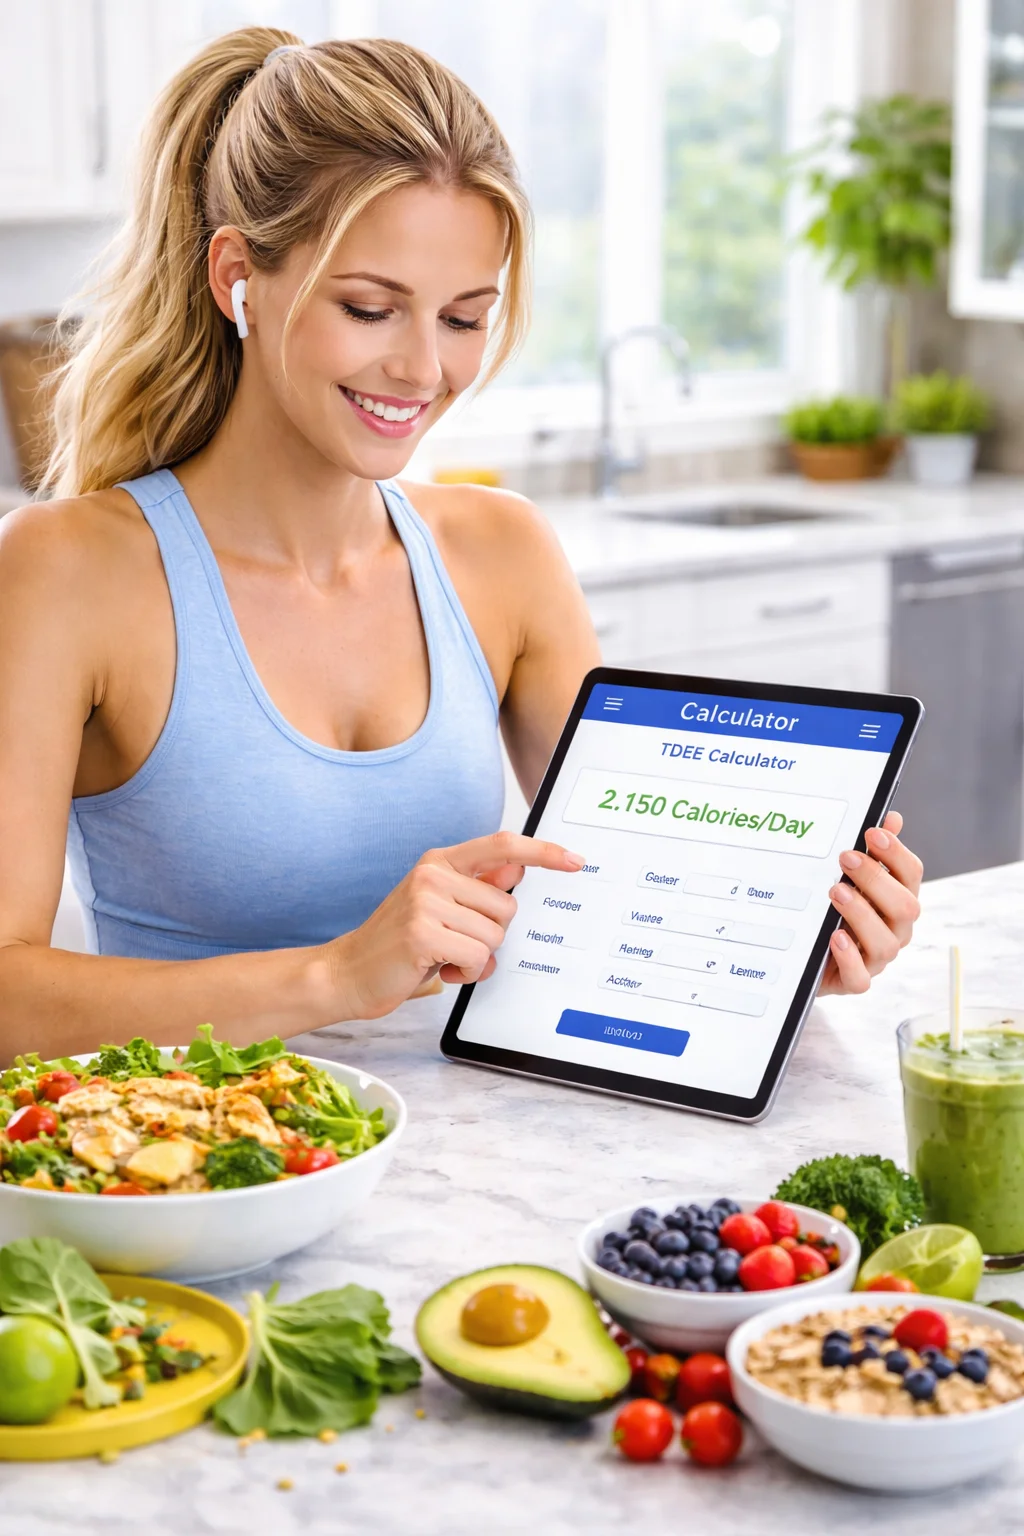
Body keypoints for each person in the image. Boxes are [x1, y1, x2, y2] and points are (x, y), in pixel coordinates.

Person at [0, 29, 922, 1063]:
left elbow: (621, 888)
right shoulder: (66, 571)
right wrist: (336, 977)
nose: (420, 368)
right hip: (193, 1181)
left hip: (475, 1169)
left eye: (463, 318)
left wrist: (787, 940)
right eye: (368, 307)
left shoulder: (501, 553)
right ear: (236, 279)